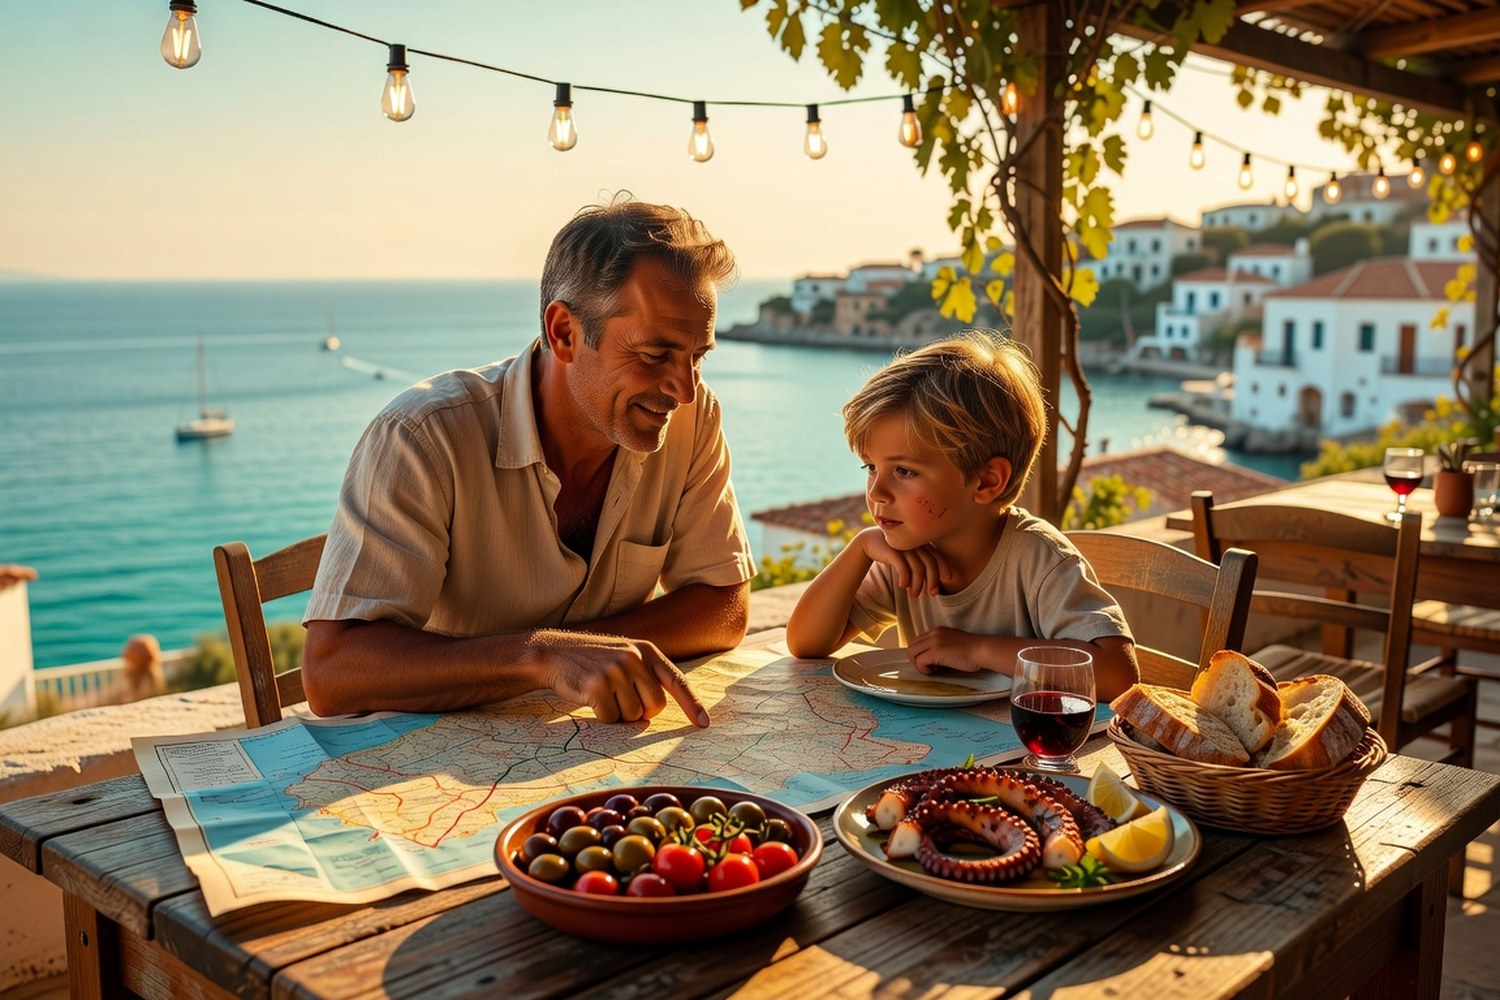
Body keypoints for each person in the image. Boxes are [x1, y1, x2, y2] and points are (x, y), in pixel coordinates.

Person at [303, 197, 755, 725]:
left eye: (696, 357)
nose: (683, 390)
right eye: (655, 356)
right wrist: (541, 656)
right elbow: (331, 675)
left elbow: (725, 607)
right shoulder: (421, 438)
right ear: (563, 332)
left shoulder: (692, 418)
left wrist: (579, 653)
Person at [785, 331, 1139, 701]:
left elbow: (1117, 674)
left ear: (986, 481)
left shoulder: (1039, 559)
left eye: (904, 471)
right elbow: (806, 642)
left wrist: (978, 649)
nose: (876, 493)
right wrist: (860, 549)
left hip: (1024, 748)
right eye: (870, 467)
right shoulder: (904, 556)